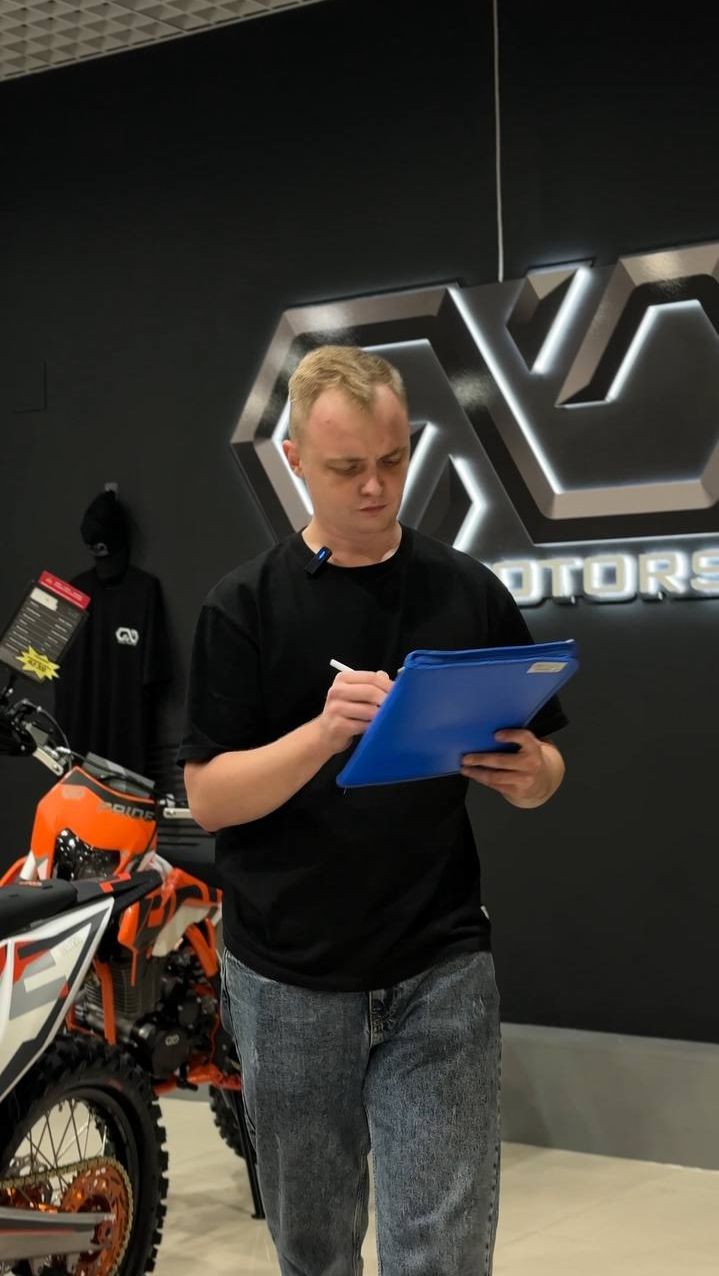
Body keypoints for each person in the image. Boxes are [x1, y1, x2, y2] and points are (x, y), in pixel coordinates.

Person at [178, 346, 568, 1276]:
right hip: (289, 975)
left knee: (441, 1251)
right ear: (294, 460)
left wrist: (532, 776)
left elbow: (547, 761)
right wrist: (321, 735)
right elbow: (210, 797)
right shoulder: (244, 607)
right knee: (315, 1249)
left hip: (439, 960)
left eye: (392, 460)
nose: (375, 487)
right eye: (347, 466)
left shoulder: (465, 590)